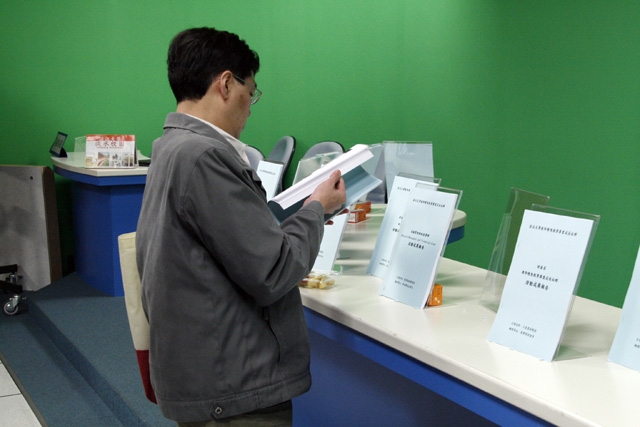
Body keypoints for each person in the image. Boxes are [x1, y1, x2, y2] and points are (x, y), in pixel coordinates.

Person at [135, 27, 346, 426]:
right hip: (233, 389)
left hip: (207, 371)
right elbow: (273, 271)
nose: (251, 107)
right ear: (227, 84)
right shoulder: (205, 157)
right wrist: (318, 208)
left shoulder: (171, 146)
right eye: (252, 91)